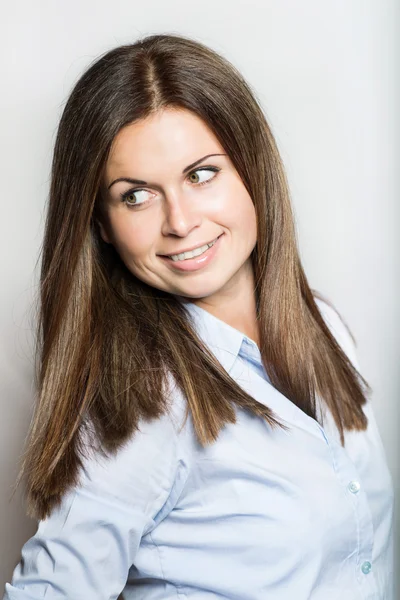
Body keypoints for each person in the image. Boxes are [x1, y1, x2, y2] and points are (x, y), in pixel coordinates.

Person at [3, 32, 394, 600]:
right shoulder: (136, 405)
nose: (180, 222)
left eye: (202, 173)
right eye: (136, 195)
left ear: (252, 171)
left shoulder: (325, 326)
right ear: (102, 226)